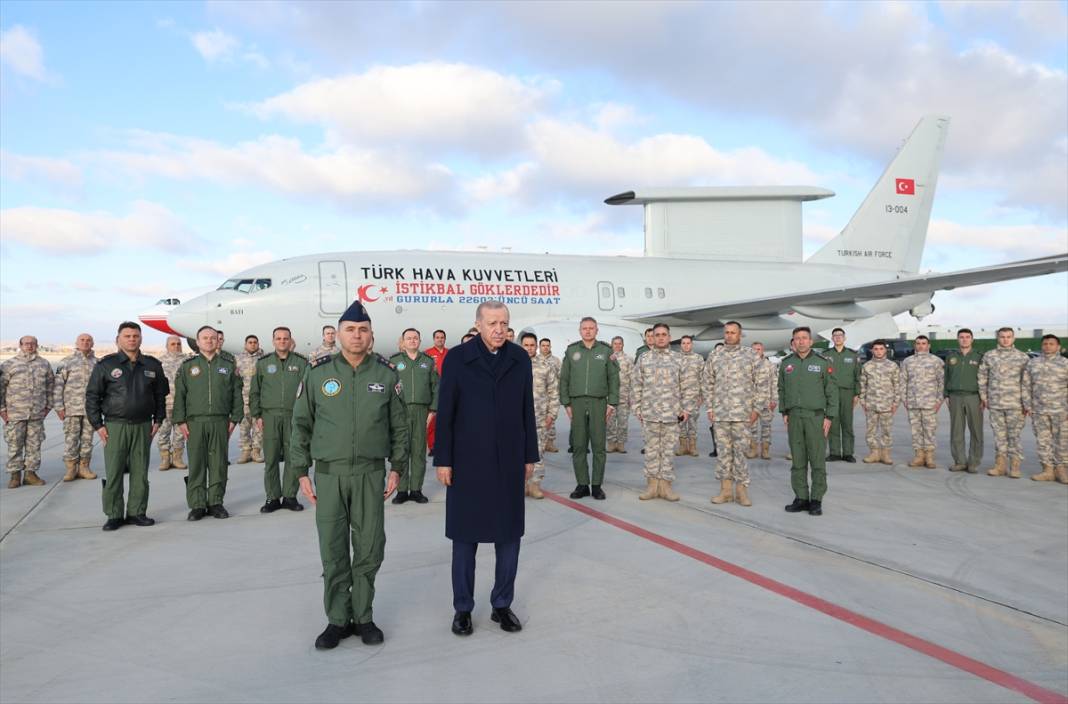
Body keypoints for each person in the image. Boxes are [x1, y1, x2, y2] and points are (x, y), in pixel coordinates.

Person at [290, 301, 408, 649]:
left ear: (371, 335)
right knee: (333, 548)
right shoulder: (317, 373)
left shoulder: (386, 373)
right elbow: (300, 425)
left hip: (370, 473)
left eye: (363, 330)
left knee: (370, 547)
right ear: (339, 334)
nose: (357, 336)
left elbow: (399, 427)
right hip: (329, 474)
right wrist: (301, 471)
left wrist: (397, 467)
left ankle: (364, 616)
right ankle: (337, 620)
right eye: (350, 329)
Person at [434, 301, 538, 637]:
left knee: (509, 538)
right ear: (477, 324)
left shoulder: (519, 359)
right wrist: (443, 460)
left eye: (504, 323)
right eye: (492, 322)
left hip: (508, 461)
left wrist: (529, 455)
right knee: (465, 540)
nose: (499, 329)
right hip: (468, 463)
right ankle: (462, 609)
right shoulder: (458, 358)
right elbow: (446, 412)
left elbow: (527, 410)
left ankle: (502, 605)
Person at [85, 322, 169, 531]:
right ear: (118, 339)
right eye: (127, 336)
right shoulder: (106, 365)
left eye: (135, 336)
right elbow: (92, 396)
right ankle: (114, 514)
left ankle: (137, 512)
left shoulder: (152, 365)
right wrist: (98, 425)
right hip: (115, 426)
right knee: (114, 472)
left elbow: (160, 395)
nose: (132, 339)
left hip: (143, 426)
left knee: (140, 472)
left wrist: (158, 420)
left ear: (140, 339)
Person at [172, 326, 243, 520]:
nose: (209, 341)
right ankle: (197, 504)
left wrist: (234, 419)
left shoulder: (228, 365)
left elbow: (237, 393)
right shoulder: (188, 366)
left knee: (219, 463)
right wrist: (180, 420)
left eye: (213, 338)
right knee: (197, 463)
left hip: (220, 421)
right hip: (195, 422)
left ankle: (216, 502)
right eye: (205, 338)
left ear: (218, 340)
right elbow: (181, 395)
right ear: (198, 341)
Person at [249, 326, 309, 512]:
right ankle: (272, 497)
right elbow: (255, 392)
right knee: (271, 459)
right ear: (273, 341)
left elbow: (307, 391)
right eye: (279, 338)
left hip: (294, 416)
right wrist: (257, 415)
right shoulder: (263, 363)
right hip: (270, 416)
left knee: (293, 457)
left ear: (291, 341)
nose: (282, 341)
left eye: (286, 338)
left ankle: (290, 496)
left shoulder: (301, 363)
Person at [559, 317, 619, 500]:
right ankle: (582, 484)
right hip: (576, 403)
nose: (587, 331)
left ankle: (597, 486)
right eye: (584, 328)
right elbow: (564, 379)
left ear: (596, 330)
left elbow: (614, 379)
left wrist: (612, 403)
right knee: (578, 446)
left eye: (591, 328)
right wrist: (566, 403)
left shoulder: (606, 351)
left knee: (599, 446)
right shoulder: (571, 351)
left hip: (598, 403)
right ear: (580, 331)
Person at [778, 327, 836, 516]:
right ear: (793, 342)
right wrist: (784, 411)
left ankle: (816, 499)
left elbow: (831, 391)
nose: (801, 342)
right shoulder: (786, 364)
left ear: (811, 342)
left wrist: (829, 416)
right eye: (797, 339)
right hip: (794, 417)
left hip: (816, 417)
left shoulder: (822, 363)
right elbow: (781, 389)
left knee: (817, 459)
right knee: (798, 460)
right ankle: (801, 497)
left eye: (804, 338)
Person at [632, 323, 692, 501]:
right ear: (651, 337)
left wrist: (686, 408)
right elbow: (636, 384)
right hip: (649, 414)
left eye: (663, 334)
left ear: (669, 336)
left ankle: (665, 487)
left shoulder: (679, 359)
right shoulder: (644, 358)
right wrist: (637, 408)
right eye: (656, 334)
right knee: (651, 451)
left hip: (672, 415)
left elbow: (688, 386)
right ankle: (651, 486)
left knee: (667, 452)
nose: (660, 337)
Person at [704, 322, 760, 506]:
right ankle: (725, 491)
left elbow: (761, 383)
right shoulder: (715, 355)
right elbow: (707, 383)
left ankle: (741, 491)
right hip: (720, 414)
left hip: (742, 414)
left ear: (740, 334)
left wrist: (757, 409)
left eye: (733, 333)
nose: (729, 336)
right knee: (723, 454)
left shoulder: (750, 355)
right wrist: (710, 408)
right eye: (726, 333)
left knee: (740, 454)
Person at [389, 328, 438, 504]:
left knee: (418, 452)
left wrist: (432, 410)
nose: (412, 341)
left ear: (419, 341)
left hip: (421, 411)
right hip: (400, 411)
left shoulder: (427, 362)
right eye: (408, 338)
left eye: (415, 338)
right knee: (401, 451)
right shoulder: (394, 362)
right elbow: (388, 386)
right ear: (403, 341)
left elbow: (435, 387)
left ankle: (416, 489)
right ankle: (401, 490)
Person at [1, 335, 53, 488]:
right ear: (20, 345)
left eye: (33, 344)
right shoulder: (9, 364)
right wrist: (2, 411)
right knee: (14, 444)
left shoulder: (44, 364)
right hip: (15, 413)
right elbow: (1, 389)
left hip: (36, 413)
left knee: (34, 445)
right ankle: (15, 475)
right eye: (26, 344)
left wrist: (48, 406)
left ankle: (30, 474)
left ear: (37, 345)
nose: (29, 346)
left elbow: (50, 386)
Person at [979, 327, 1030, 478]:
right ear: (998, 338)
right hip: (995, 404)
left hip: (1016, 404)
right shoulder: (989, 356)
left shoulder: (1023, 357)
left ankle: (1015, 467)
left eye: (1008, 337)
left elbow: (1027, 382)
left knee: (1014, 436)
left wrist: (1026, 403)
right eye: (1002, 337)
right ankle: (1000, 466)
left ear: (1014, 338)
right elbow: (982, 377)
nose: (1005, 339)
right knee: (999, 436)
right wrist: (984, 397)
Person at [53, 333, 98, 481]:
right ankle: (71, 469)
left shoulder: (97, 363)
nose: (85, 342)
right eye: (82, 340)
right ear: (76, 342)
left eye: (88, 340)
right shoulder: (66, 362)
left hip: (91, 409)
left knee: (87, 440)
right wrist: (59, 407)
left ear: (92, 343)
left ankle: (84, 467)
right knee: (71, 439)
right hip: (71, 409)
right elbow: (58, 386)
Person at [1024, 335, 1067, 483]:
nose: (1048, 346)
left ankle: (1061, 470)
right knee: (1043, 441)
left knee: (1062, 441)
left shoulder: (1065, 363)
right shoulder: (1033, 364)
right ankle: (1047, 470)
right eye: (1045, 344)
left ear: (1058, 346)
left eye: (1051, 344)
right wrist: (1028, 405)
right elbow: (1026, 385)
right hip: (1039, 410)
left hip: (1061, 410)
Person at [899, 335, 944, 469]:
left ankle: (929, 457)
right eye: (918, 343)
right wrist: (905, 399)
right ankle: (919, 456)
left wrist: (938, 401)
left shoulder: (937, 361)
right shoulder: (907, 361)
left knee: (929, 430)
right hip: (913, 402)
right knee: (916, 431)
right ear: (915, 346)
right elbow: (903, 381)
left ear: (929, 345)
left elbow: (942, 382)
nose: (921, 346)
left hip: (930, 402)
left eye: (924, 343)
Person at [522, 332, 558, 498]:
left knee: (537, 453)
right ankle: (521, 484)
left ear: (536, 346)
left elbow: (553, 391)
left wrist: (552, 414)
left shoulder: (545, 366)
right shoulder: (513, 365)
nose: (529, 348)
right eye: (526, 345)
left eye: (531, 345)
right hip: (517, 420)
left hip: (539, 418)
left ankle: (535, 485)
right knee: (517, 454)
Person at [944, 328, 984, 472]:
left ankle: (973, 462)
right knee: (956, 431)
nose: (964, 339)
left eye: (967, 337)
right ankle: (960, 461)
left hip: (974, 396)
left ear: (972, 339)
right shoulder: (951, 357)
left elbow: (985, 378)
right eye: (961, 337)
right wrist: (946, 395)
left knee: (976, 431)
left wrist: (983, 397)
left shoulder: (980, 356)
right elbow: (946, 376)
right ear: (957, 339)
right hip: (955, 397)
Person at [823, 328, 861, 462]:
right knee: (833, 422)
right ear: (832, 339)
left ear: (844, 338)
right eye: (835, 336)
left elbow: (858, 376)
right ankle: (834, 452)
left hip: (847, 392)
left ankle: (848, 453)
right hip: (831, 393)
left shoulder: (852, 355)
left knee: (847, 423)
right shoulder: (825, 355)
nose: (838, 338)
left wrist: (857, 394)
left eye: (840, 335)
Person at [859, 340, 899, 465]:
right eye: (876, 349)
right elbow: (862, 385)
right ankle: (874, 453)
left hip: (887, 404)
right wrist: (863, 402)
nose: (878, 351)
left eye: (881, 349)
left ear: (885, 350)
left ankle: (885, 454)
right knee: (871, 431)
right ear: (872, 351)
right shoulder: (867, 366)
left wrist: (895, 403)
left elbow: (897, 385)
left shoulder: (893, 366)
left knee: (886, 430)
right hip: (871, 404)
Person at [157, 336, 190, 470]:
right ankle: (165, 459)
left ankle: (177, 458)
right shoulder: (159, 362)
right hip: (165, 404)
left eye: (178, 344)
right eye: (172, 344)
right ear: (167, 346)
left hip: (182, 404)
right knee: (163, 432)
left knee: (180, 433)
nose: (176, 346)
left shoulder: (187, 362)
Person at [235, 334, 265, 464]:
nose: (252, 344)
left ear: (258, 344)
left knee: (258, 426)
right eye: (250, 342)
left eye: (255, 342)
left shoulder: (263, 359)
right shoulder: (237, 359)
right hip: (243, 399)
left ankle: (256, 451)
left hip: (259, 399)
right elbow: (235, 380)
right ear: (245, 344)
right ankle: (246, 451)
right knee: (244, 426)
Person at [748, 342, 778, 460]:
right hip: (751, 403)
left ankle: (765, 450)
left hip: (766, 402)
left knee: (766, 427)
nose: (756, 351)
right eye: (754, 349)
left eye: (758, 349)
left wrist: (774, 399)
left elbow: (774, 383)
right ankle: (753, 449)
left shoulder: (770, 365)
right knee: (752, 428)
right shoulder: (746, 366)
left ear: (763, 350)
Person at [676, 336, 704, 456]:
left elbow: (703, 378)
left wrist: (702, 396)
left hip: (693, 397)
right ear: (680, 345)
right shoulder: (675, 358)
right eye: (683, 343)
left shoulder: (698, 358)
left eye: (688, 343)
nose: (686, 345)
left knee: (693, 423)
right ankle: (682, 447)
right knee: (680, 423)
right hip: (679, 398)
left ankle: (692, 447)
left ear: (692, 344)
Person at [606, 336, 633, 453]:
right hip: (609, 397)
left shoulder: (628, 360)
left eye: (619, 344)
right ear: (611, 345)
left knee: (622, 422)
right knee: (610, 422)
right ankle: (611, 443)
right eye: (615, 344)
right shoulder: (607, 359)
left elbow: (633, 379)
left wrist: (632, 397)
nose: (617, 346)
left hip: (624, 397)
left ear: (623, 345)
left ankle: (621, 444)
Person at [425, 329, 449, 454]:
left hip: (447, 389)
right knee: (432, 419)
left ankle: (445, 445)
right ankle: (433, 446)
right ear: (434, 339)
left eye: (442, 337)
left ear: (445, 339)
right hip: (433, 390)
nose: (440, 339)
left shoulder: (450, 353)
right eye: (438, 337)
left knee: (446, 418)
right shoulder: (427, 354)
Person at [539, 338, 561, 452]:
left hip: (552, 395)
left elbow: (560, 377)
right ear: (539, 347)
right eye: (543, 345)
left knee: (551, 420)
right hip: (539, 396)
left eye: (547, 345)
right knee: (538, 420)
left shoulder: (556, 361)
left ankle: (550, 443)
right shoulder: (535, 360)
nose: (545, 347)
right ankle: (540, 444)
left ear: (550, 347)